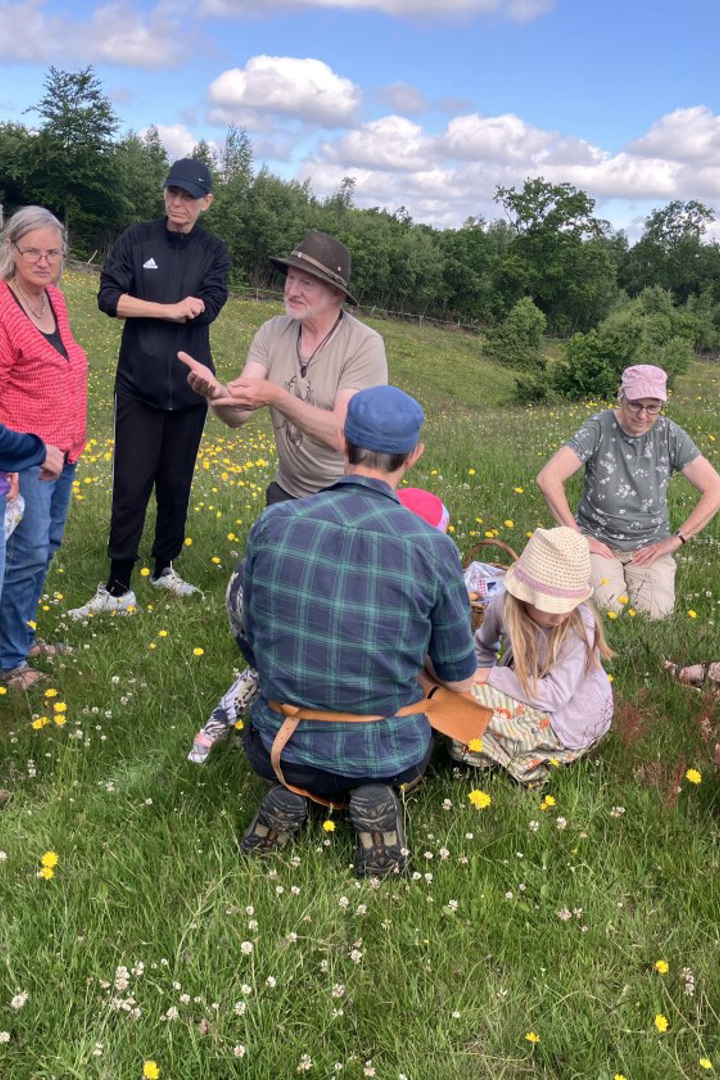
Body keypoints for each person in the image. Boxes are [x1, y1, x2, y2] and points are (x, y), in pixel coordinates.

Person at [234, 386, 479, 876]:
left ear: (343, 442)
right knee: (435, 705)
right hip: (390, 753)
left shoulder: (275, 521)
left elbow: (250, 635)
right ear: (414, 455)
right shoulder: (432, 548)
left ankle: (297, 790)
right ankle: (374, 792)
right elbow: (460, 680)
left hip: (281, 744)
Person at [67, 159, 231, 621]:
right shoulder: (136, 239)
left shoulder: (214, 250)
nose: (178, 203)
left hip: (191, 388)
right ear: (164, 194)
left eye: (189, 196)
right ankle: (118, 584)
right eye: (172, 193)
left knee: (176, 483)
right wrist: (168, 308)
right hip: (137, 385)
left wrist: (191, 308)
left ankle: (165, 567)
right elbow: (108, 298)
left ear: (206, 202)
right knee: (131, 482)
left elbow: (212, 302)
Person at [186, 485, 451, 764]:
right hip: (262, 588)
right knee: (269, 669)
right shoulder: (403, 553)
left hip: (251, 578)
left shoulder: (366, 529)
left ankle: (207, 737)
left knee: (264, 665)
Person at [178, 229, 387, 505]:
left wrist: (276, 396)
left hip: (346, 497)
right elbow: (239, 415)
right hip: (287, 491)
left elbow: (341, 435)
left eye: (306, 284)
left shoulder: (364, 344)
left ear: (336, 293)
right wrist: (216, 395)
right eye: (290, 279)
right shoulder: (272, 331)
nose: (292, 291)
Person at [537, 365, 720, 617]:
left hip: (650, 547)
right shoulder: (599, 428)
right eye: (635, 404)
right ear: (620, 395)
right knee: (607, 608)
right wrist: (578, 535)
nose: (643, 415)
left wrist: (676, 539)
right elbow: (548, 478)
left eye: (653, 406)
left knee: (655, 614)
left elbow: (715, 488)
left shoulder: (669, 434)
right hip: (598, 541)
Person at [452, 527, 614, 787]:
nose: (560, 616)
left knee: (466, 714)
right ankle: (501, 752)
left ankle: (532, 761)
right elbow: (483, 644)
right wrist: (480, 680)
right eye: (551, 607)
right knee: (464, 701)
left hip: (569, 719)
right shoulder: (504, 605)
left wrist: (492, 676)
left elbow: (555, 695)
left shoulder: (577, 626)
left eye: (567, 606)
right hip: (533, 689)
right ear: (526, 596)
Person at [0, 207, 88, 688]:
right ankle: (9, 658)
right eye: (31, 250)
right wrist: (13, 456)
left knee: (45, 547)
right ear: (11, 250)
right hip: (26, 455)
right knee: (27, 550)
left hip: (65, 451)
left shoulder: (55, 299)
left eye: (52, 252)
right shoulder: (2, 308)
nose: (42, 260)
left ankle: (20, 633)